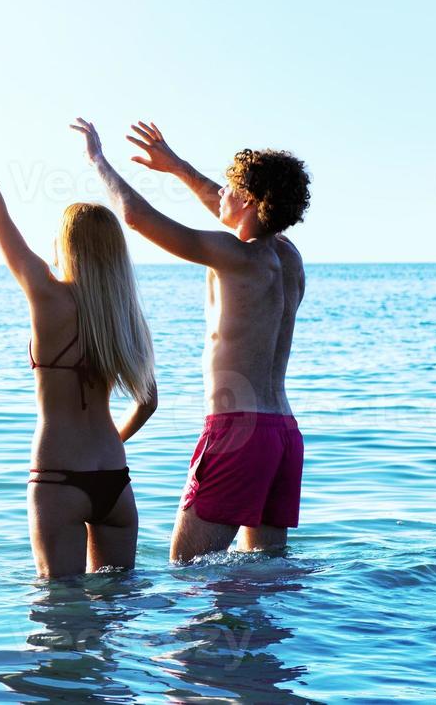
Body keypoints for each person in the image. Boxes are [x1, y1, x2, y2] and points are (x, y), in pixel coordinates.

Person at [73, 118, 310, 562]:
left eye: (230, 186)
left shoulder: (233, 255)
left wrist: (97, 160)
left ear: (252, 199)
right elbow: (226, 207)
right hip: (282, 435)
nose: (219, 190)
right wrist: (178, 167)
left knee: (188, 568)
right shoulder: (288, 259)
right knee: (264, 575)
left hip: (236, 430)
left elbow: (136, 217)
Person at [0, 142, 157, 575]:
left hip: (58, 477)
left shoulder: (47, 296)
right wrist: (113, 443)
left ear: (67, 246)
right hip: (114, 477)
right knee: (117, 616)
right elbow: (148, 402)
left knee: (60, 613)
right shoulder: (123, 316)